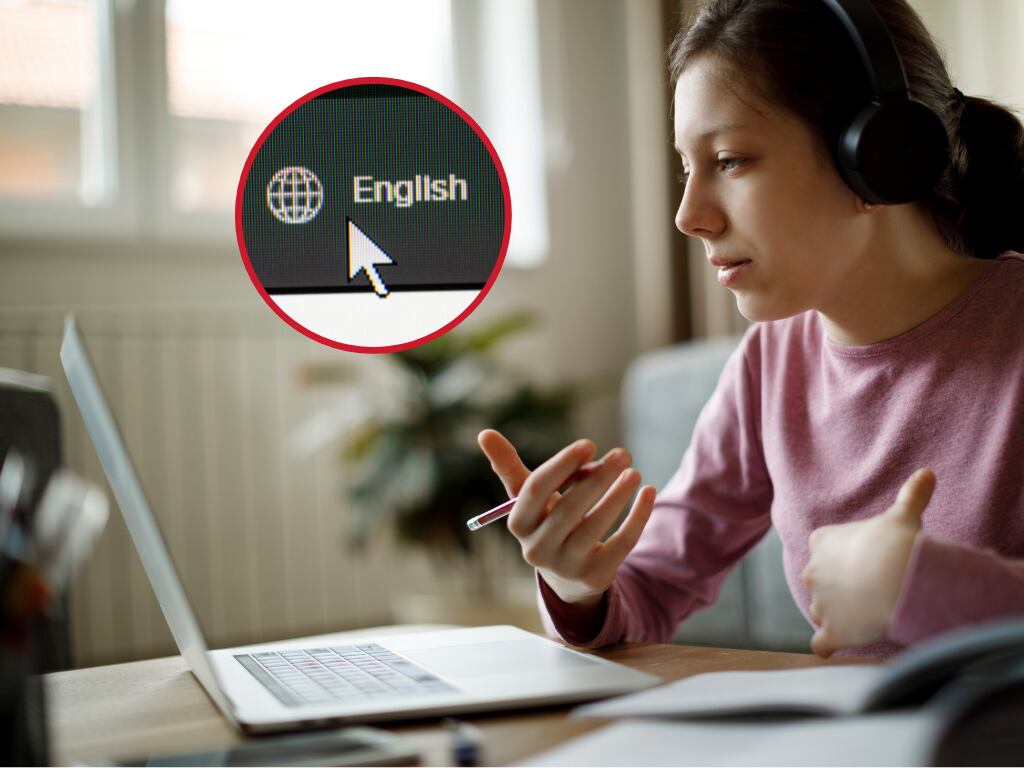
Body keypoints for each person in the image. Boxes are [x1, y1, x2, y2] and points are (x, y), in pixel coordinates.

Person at [477, 0, 1024, 659]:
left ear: (879, 157)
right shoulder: (773, 360)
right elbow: (650, 589)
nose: (688, 216)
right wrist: (577, 582)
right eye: (687, 168)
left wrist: (934, 587)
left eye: (730, 160)